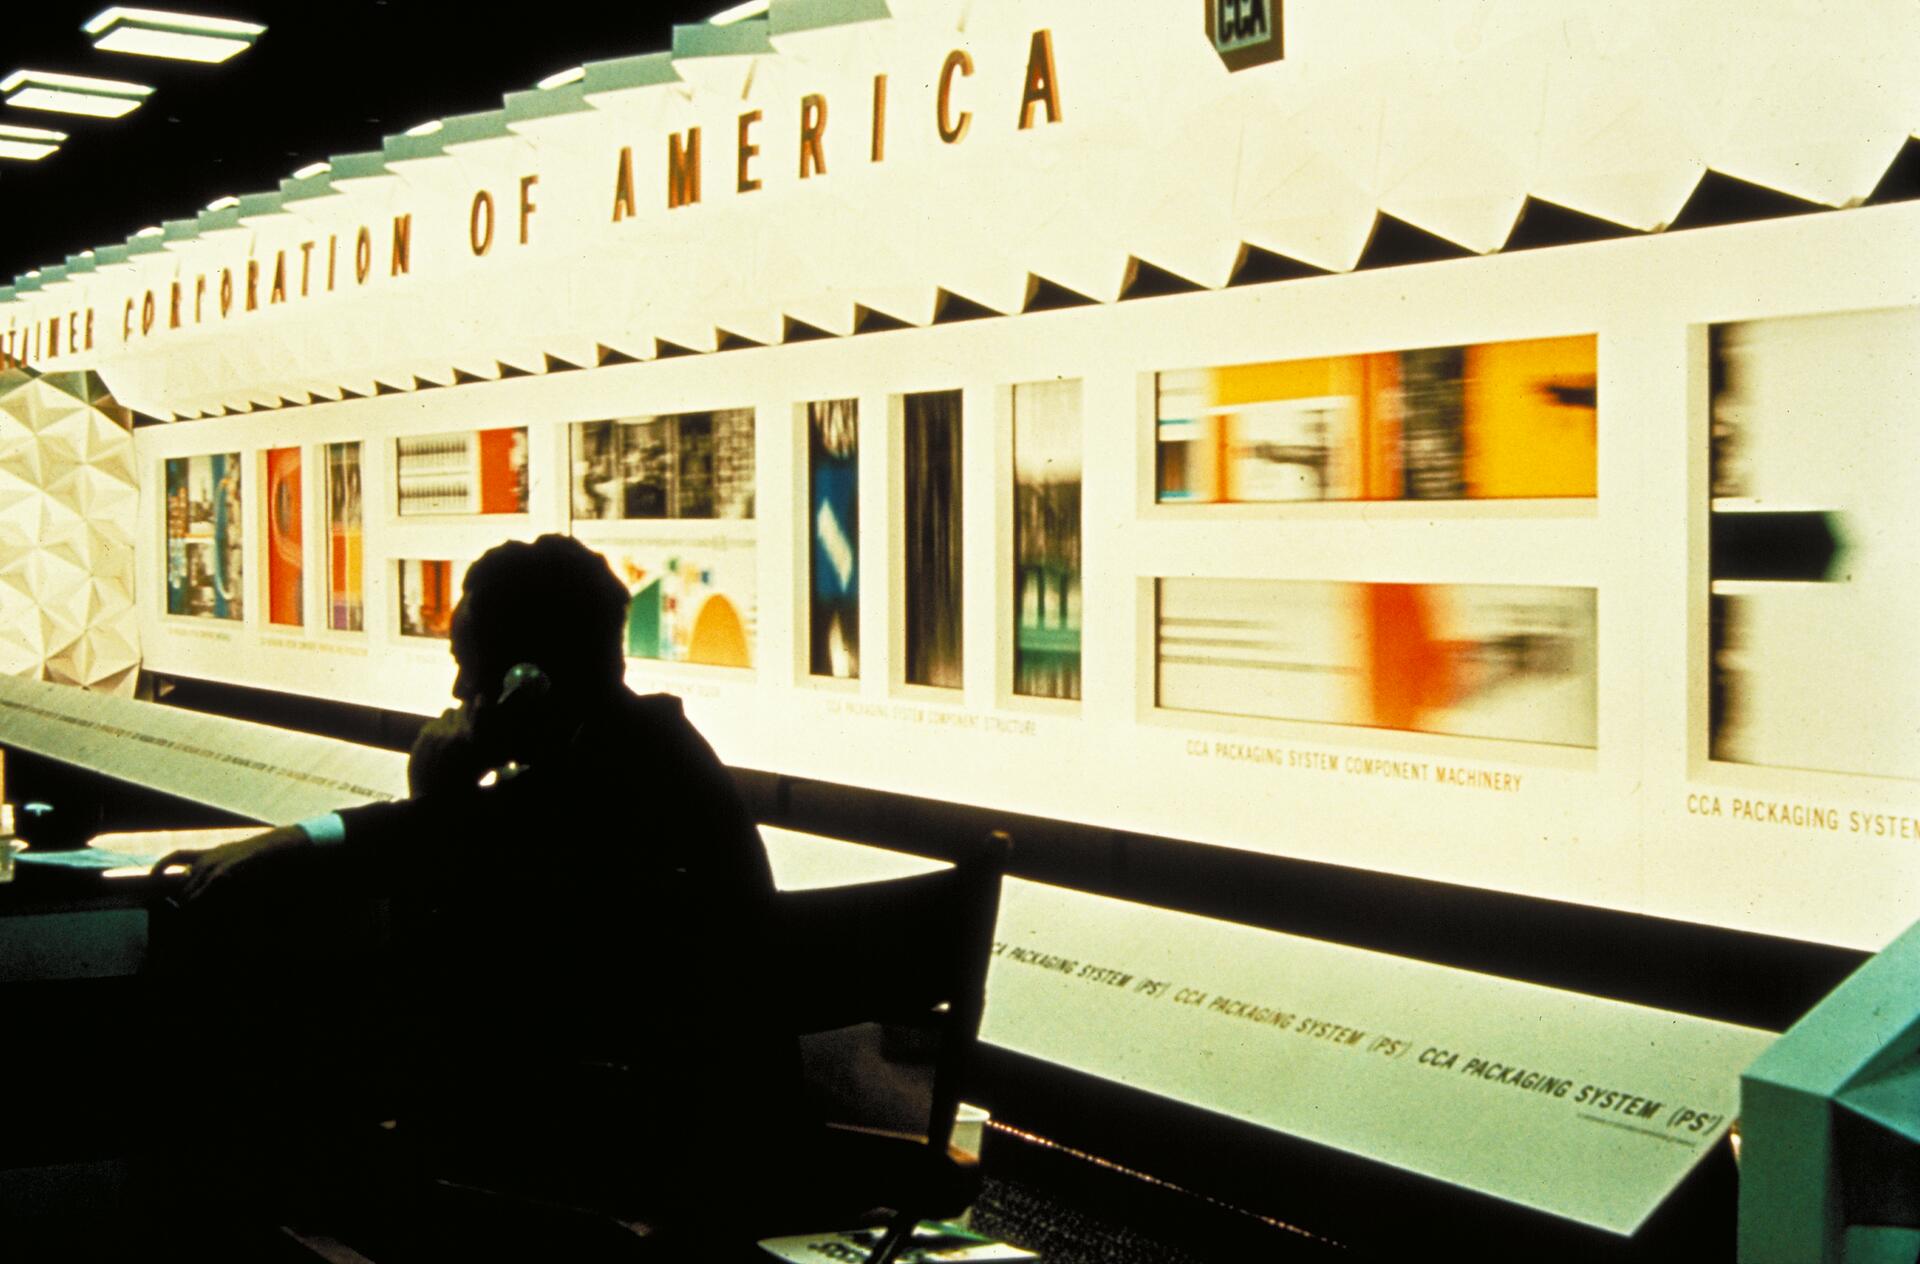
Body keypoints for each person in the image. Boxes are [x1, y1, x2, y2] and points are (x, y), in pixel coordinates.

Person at [151, 533, 800, 1238]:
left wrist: (430, 788)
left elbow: (441, 876)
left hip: (630, 1158)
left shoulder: (607, 773)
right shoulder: (647, 747)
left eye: (466, 665)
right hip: (687, 1135)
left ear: (529, 681)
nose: (459, 691)